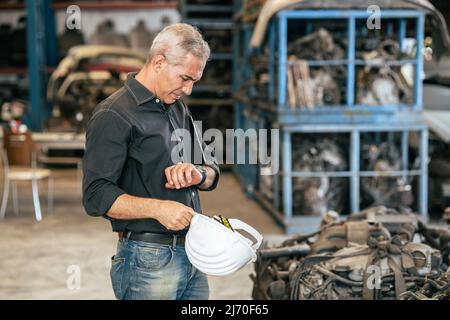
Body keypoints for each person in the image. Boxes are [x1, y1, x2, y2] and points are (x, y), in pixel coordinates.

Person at [82, 23, 220, 300]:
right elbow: (96, 195)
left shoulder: (176, 106)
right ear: (159, 61)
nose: (188, 89)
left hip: (192, 251)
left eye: (194, 81)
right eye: (184, 78)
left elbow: (212, 171)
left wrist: (197, 174)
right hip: (147, 260)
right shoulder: (113, 114)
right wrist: (158, 208)